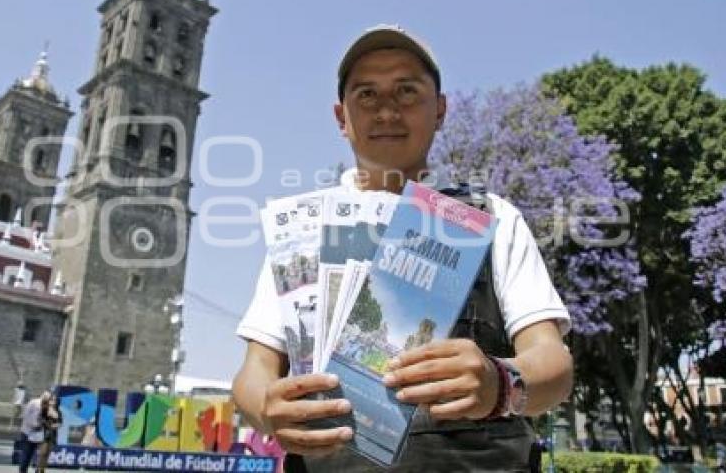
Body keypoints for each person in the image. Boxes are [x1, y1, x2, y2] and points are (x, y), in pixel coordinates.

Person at [232, 25, 574, 472]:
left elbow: (553, 365)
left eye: (407, 91)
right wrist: (266, 409)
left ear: (441, 110)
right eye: (367, 94)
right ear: (342, 117)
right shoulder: (304, 229)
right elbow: (254, 372)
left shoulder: (493, 217)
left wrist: (500, 383)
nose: (387, 110)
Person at [18, 391, 48, 472]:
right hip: (27, 432)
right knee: (26, 454)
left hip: (39, 435)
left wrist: (43, 424)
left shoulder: (47, 406)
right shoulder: (33, 403)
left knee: (37, 455)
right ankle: (23, 471)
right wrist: (35, 425)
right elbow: (26, 416)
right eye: (46, 398)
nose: (47, 400)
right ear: (42, 396)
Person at [36, 392, 62, 473]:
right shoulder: (45, 409)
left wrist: (56, 425)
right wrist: (47, 424)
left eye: (55, 400)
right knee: (43, 452)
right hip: (44, 433)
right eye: (52, 400)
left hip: (53, 434)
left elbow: (60, 422)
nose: (53, 402)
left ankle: (43, 470)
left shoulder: (58, 411)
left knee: (47, 453)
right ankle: (38, 469)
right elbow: (40, 419)